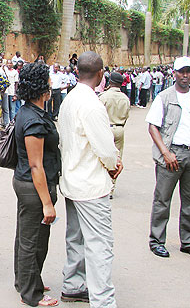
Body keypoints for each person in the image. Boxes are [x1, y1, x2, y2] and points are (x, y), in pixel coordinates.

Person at [58, 51, 122, 307]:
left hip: (72, 180)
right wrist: (114, 165)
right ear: (100, 74)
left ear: (77, 72)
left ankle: (74, 285)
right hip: (91, 185)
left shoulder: (69, 100)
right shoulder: (92, 104)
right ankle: (103, 300)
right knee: (100, 244)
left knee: (76, 238)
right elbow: (105, 148)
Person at [145, 56, 190, 259]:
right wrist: (165, 153)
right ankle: (157, 241)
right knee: (162, 200)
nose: (185, 76)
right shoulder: (164, 97)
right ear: (174, 73)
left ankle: (189, 242)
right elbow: (153, 126)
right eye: (181, 72)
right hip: (171, 155)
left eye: (188, 72)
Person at [13, 63, 60, 307]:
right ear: (43, 88)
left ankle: (26, 281)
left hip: (28, 184)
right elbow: (36, 165)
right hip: (34, 186)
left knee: (26, 236)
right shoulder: (33, 120)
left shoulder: (30, 111)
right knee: (34, 240)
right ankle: (31, 294)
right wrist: (47, 203)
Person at [99, 72, 130, 198]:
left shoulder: (104, 97)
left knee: (104, 156)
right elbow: (127, 115)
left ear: (109, 82)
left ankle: (104, 186)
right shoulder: (125, 98)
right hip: (119, 128)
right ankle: (112, 187)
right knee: (117, 158)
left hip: (107, 128)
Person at [0, 59, 19, 125]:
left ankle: (13, 123)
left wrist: (15, 94)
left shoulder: (15, 72)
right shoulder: (4, 71)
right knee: (6, 109)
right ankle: (6, 123)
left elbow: (16, 83)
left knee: (12, 109)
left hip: (12, 92)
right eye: (8, 63)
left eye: (10, 63)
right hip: (5, 92)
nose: (9, 65)